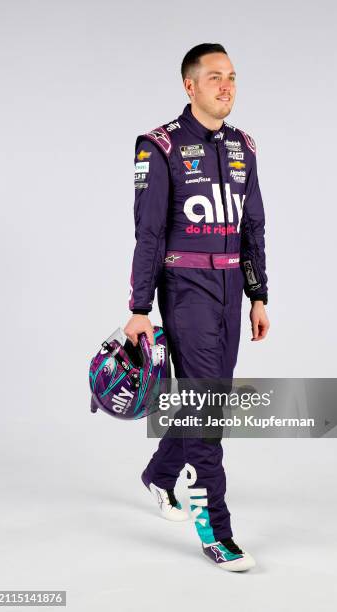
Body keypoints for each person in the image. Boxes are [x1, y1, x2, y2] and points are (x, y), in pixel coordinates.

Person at [124, 43, 270, 571]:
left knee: (209, 403)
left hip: (232, 291)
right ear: (190, 86)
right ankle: (218, 532)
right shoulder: (159, 145)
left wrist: (258, 295)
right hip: (185, 291)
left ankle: (161, 475)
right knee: (208, 411)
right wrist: (140, 306)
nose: (226, 85)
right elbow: (148, 233)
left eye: (231, 76)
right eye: (214, 77)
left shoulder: (243, 146)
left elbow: (251, 226)